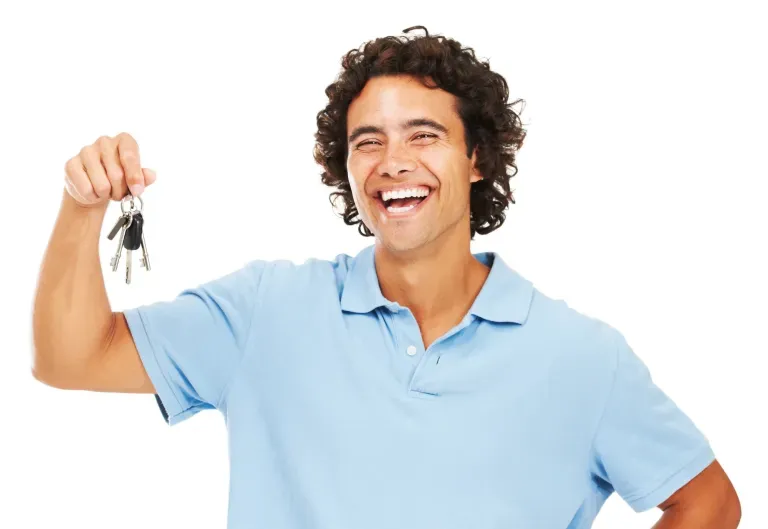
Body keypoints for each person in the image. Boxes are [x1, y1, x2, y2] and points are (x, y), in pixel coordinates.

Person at [32, 26, 740, 529]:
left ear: (478, 160)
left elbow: (708, 501)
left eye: (423, 135)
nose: (391, 160)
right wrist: (81, 207)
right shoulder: (265, 311)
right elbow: (71, 356)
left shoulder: (584, 357)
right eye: (367, 142)